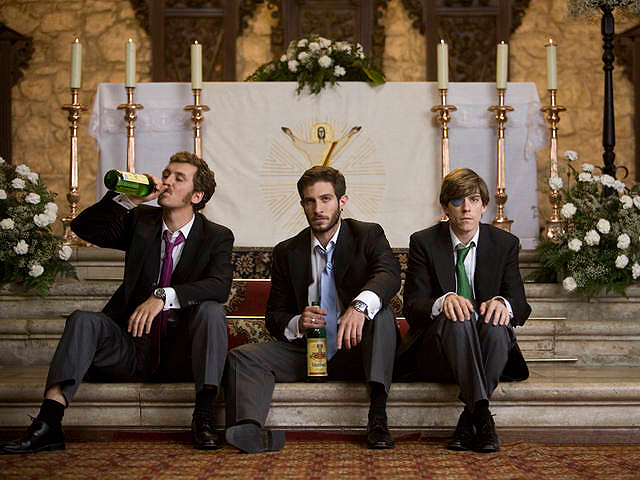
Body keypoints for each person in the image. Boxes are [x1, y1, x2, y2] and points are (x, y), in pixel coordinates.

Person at [1, 151, 234, 454]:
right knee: (83, 320)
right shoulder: (141, 221)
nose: (166, 181)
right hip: (131, 345)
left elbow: (219, 286)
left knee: (212, 311)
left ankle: (203, 418)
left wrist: (163, 296)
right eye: (166, 174)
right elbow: (84, 228)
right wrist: (128, 199)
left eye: (179, 178)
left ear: (197, 196)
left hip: (181, 356)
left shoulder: (216, 236)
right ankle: (48, 423)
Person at [224, 165, 400, 453]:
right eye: (310, 201)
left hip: (358, 349)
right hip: (309, 353)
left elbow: (389, 274)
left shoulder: (367, 234)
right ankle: (250, 430)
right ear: (302, 205)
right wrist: (298, 322)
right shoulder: (287, 251)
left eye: (326, 199)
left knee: (381, 313)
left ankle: (378, 418)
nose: (318, 208)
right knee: (243, 357)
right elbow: (274, 316)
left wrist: (358, 306)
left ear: (342, 201)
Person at [397, 168, 530, 453]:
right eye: (457, 201)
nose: (466, 208)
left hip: (488, 346)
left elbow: (520, 304)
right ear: (446, 207)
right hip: (439, 351)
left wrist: (503, 304)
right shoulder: (424, 242)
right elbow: (412, 307)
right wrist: (443, 301)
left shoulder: (504, 244)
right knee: (457, 317)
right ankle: (482, 414)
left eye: (473, 200)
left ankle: (469, 419)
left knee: (496, 324)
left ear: (484, 206)